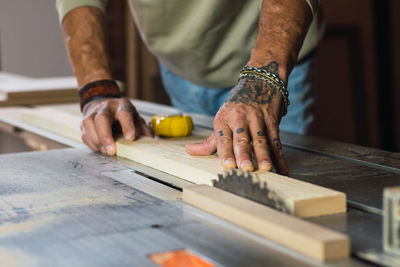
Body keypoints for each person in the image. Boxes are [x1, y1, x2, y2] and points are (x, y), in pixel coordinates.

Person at [56, 0, 323, 175]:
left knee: (275, 189)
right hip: (181, 64)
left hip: (273, 57)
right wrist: (97, 90)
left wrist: (264, 77)